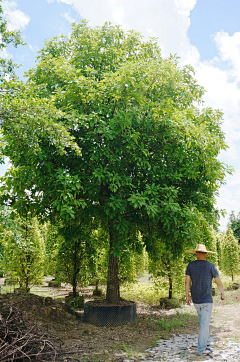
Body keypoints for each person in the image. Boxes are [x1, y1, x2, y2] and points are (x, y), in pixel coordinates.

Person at [185, 244, 225, 356]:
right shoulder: (211, 266)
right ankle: (201, 349)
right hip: (207, 300)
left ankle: (206, 341)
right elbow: (218, 282)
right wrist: (222, 292)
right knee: (204, 324)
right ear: (206, 254)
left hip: (196, 299)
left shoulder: (190, 265)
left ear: (196, 253)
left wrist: (187, 296)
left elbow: (187, 281)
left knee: (203, 323)